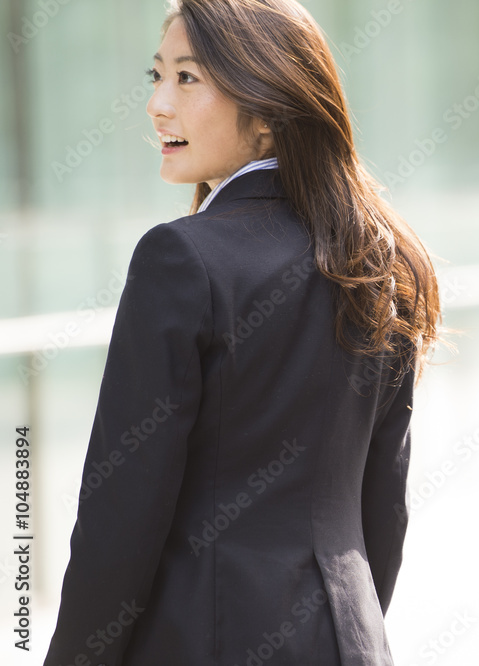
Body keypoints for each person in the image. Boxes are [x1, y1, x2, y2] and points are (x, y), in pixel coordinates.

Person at [43, 1, 440, 664]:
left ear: (268, 105)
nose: (157, 104)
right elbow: (383, 512)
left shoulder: (180, 259)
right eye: (157, 74)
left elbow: (123, 516)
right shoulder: (379, 262)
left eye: (188, 78)